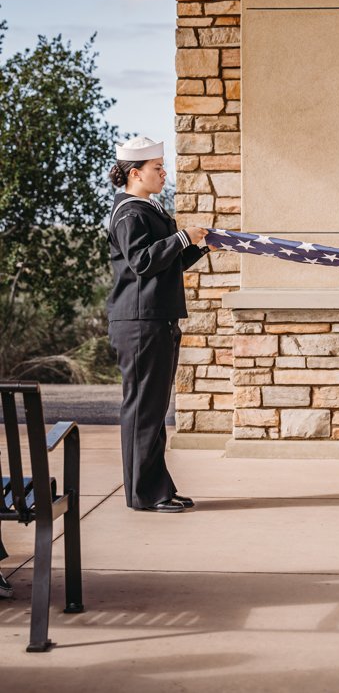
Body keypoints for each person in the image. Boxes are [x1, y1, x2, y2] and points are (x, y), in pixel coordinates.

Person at [107, 136, 213, 513]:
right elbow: (142, 262)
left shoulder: (147, 209)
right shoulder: (130, 213)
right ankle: (143, 495)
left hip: (156, 320)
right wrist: (183, 237)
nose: (164, 172)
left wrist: (198, 247)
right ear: (135, 173)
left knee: (153, 411)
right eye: (157, 167)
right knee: (142, 410)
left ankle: (157, 489)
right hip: (139, 324)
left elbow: (167, 264)